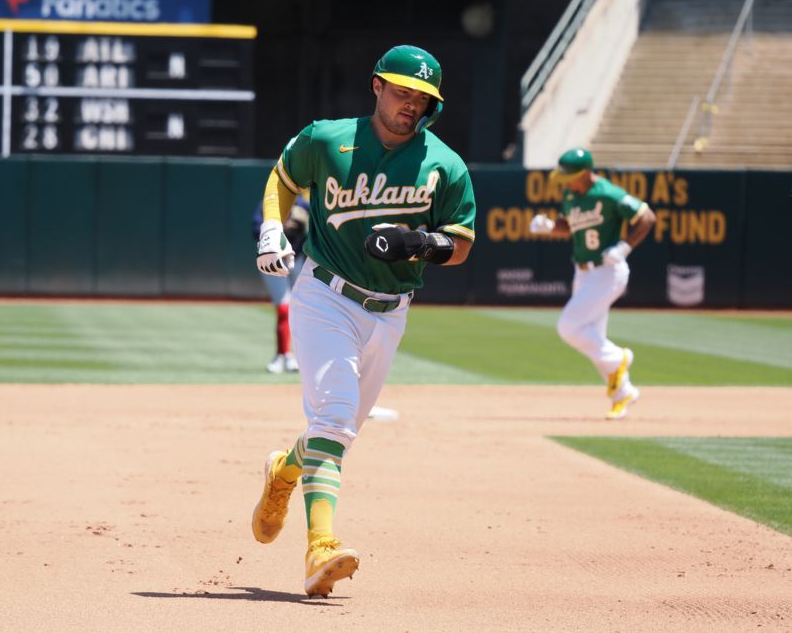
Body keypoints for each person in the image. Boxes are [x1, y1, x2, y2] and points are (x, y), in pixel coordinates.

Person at [251, 44, 476, 597]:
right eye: (402, 92)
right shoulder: (328, 139)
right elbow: (282, 177)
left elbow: (464, 242)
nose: (411, 105)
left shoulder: (444, 165)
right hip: (324, 295)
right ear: (377, 86)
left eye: (422, 98)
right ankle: (320, 548)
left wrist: (421, 242)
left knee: (339, 435)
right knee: (332, 418)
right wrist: (272, 230)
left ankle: (284, 472)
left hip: (390, 310)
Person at [529, 147, 656, 420]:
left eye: (570, 176)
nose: (565, 182)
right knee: (593, 337)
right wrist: (550, 226)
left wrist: (625, 246)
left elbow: (647, 217)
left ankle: (619, 358)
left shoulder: (608, 193)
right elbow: (568, 225)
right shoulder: (571, 193)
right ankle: (623, 394)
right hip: (583, 271)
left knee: (569, 327)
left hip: (608, 270)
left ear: (586, 173)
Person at [252, 192, 310, 373]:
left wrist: (303, 227)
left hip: (298, 258)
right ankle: (283, 355)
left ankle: (289, 355)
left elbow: (317, 233)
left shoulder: (304, 205)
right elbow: (254, 229)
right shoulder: (269, 203)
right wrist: (278, 228)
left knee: (299, 309)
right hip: (273, 259)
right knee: (284, 307)